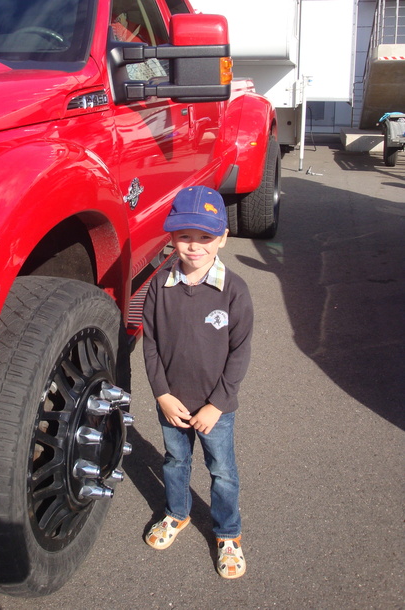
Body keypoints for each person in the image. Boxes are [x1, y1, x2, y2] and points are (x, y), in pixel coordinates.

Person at [142, 185, 253, 579]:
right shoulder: (159, 286)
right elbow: (150, 344)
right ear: (172, 237)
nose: (194, 246)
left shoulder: (234, 291)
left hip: (214, 409)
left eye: (206, 237)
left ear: (222, 238)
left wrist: (217, 404)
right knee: (175, 461)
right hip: (172, 403)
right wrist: (161, 394)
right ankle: (177, 512)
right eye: (185, 235)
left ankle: (228, 532)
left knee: (222, 471)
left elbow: (240, 353)